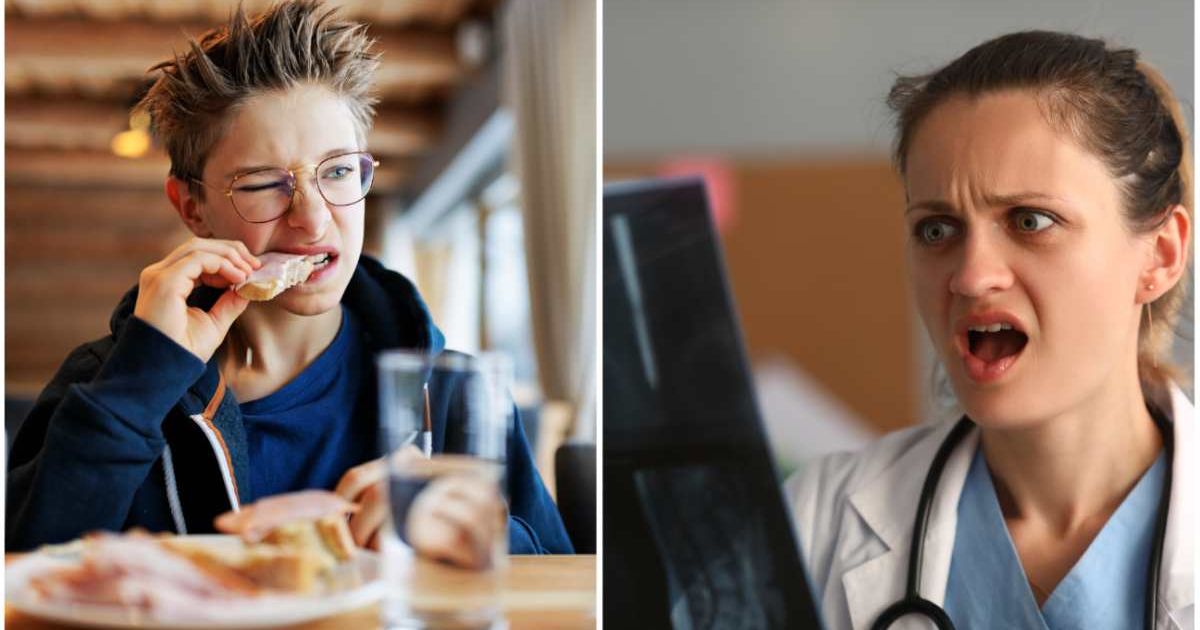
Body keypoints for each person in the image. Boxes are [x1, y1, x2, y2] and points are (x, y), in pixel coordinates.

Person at [6, 0, 573, 565]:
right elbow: (23, 572)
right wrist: (142, 381)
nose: (313, 218)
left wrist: (486, 537)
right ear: (193, 208)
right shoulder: (104, 384)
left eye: (339, 171)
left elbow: (566, 582)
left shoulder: (454, 395)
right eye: (261, 184)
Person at [786, 31, 1193, 629]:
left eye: (1031, 220)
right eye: (936, 229)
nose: (971, 277)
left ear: (1158, 255)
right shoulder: (813, 523)